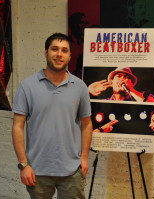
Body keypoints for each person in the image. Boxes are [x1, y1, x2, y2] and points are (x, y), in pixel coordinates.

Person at [12, 33, 93, 199]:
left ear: (70, 56)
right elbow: (18, 126)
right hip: (37, 170)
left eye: (64, 50)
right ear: (45, 53)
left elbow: (87, 124)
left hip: (72, 170)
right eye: (54, 49)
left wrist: (84, 158)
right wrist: (23, 164)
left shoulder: (80, 87)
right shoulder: (27, 86)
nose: (59, 54)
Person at [88, 67, 154, 102]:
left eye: (127, 77)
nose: (122, 79)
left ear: (131, 84)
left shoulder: (145, 95)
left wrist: (131, 90)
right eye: (119, 76)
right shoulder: (105, 102)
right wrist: (87, 91)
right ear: (111, 83)